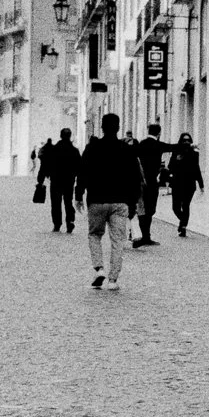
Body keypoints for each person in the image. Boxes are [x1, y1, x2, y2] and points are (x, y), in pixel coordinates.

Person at [77, 114, 144, 289]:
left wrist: (78, 195)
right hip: (120, 202)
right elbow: (135, 178)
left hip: (97, 200)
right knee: (117, 241)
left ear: (102, 127)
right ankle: (113, 280)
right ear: (118, 127)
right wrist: (133, 202)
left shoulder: (92, 148)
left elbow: (82, 173)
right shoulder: (126, 149)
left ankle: (99, 269)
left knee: (94, 235)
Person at [133, 123, 169, 247]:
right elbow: (173, 147)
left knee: (143, 208)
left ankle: (145, 235)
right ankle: (145, 236)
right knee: (151, 208)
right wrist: (189, 146)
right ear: (159, 133)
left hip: (141, 180)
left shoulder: (141, 144)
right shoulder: (158, 145)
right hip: (152, 181)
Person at [41, 128, 82, 232]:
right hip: (69, 181)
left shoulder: (54, 149)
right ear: (70, 136)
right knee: (68, 202)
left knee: (56, 203)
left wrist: (42, 178)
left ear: (60, 136)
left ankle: (57, 224)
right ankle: (70, 221)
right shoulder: (74, 151)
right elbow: (79, 167)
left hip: (56, 180)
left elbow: (46, 164)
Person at [167, 133, 204, 237]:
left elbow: (197, 168)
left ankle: (183, 226)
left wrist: (201, 184)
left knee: (186, 205)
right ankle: (183, 222)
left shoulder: (194, 153)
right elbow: (170, 167)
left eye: (188, 140)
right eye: (184, 140)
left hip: (189, 184)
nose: (186, 142)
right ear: (181, 141)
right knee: (175, 207)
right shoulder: (176, 152)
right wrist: (176, 160)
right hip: (177, 183)